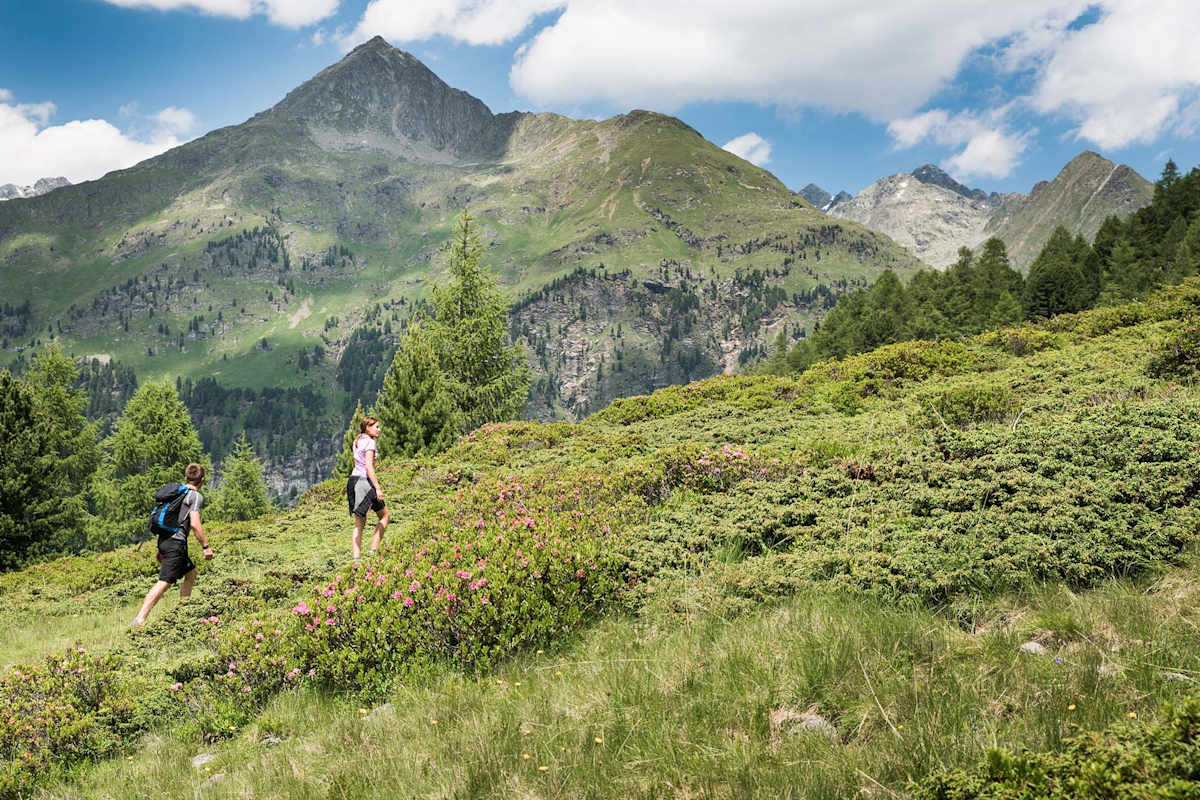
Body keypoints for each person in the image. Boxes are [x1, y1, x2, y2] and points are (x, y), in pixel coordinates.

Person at [131, 463, 213, 628]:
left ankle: (183, 614)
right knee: (164, 582)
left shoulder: (176, 493)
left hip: (166, 541)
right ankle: (139, 620)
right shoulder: (195, 496)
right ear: (202, 480)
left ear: (186, 477)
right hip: (175, 544)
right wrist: (206, 546)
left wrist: (161, 548)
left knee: (190, 574)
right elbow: (195, 524)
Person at [347, 416, 389, 560]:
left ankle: (356, 559)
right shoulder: (370, 443)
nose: (379, 429)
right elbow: (369, 467)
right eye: (376, 427)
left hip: (353, 481)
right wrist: (377, 488)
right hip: (364, 482)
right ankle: (373, 551)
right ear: (368, 427)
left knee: (358, 524)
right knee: (385, 516)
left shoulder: (357, 441)